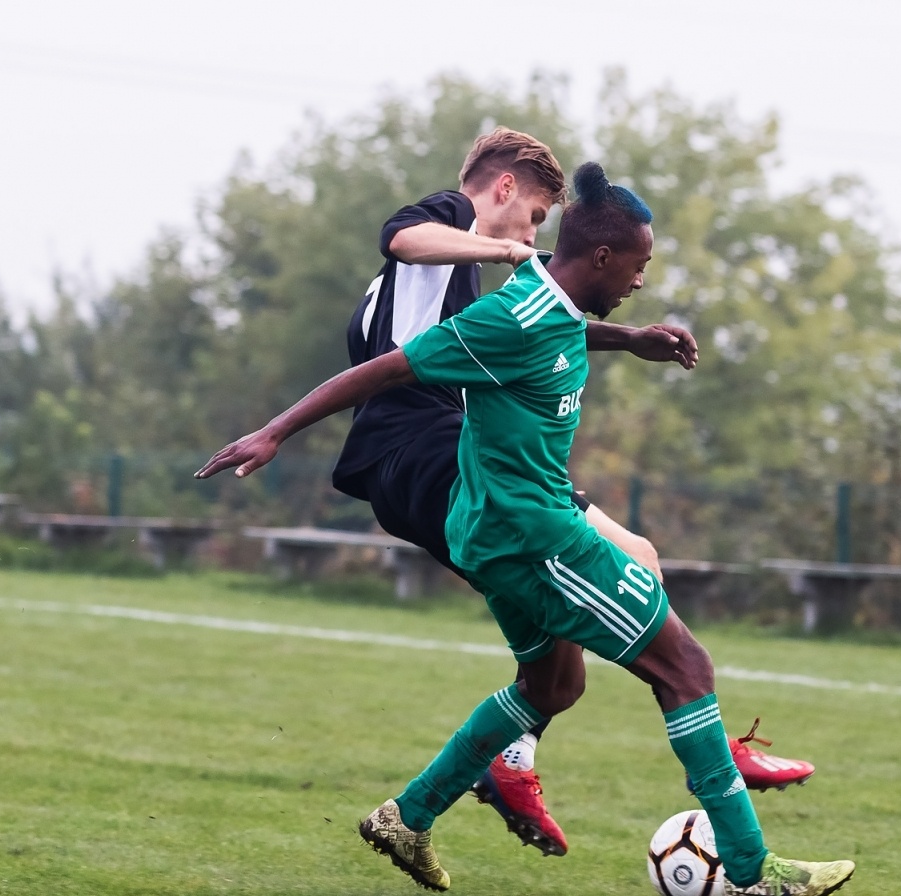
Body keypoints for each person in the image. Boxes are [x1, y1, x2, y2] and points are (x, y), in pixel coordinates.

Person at [197, 162, 854, 896]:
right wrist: (274, 432)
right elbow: (386, 369)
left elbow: (560, 328)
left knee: (554, 687)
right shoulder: (509, 316)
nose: (642, 279)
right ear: (602, 257)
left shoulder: (548, 301)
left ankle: (408, 817)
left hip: (492, 532)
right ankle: (751, 867)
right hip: (534, 537)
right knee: (684, 666)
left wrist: (631, 338)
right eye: (638, 264)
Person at [329, 128, 815, 857]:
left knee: (557, 675)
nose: (533, 236)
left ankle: (431, 804)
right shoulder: (451, 219)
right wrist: (504, 250)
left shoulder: (460, 278)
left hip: (414, 464)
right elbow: (401, 238)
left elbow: (533, 333)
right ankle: (702, 744)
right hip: (427, 456)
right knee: (635, 562)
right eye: (533, 217)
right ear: (502, 187)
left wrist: (628, 338)